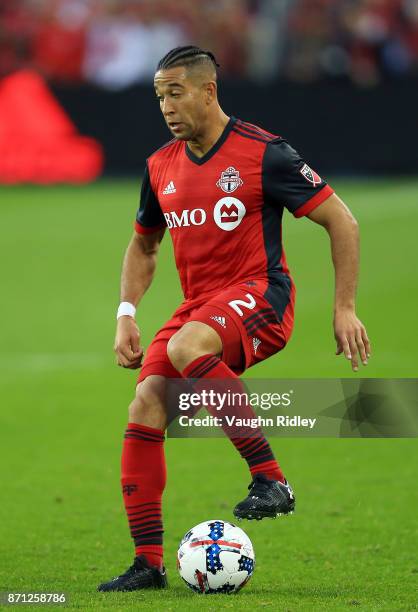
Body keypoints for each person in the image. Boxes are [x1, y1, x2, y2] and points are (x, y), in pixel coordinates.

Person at [98, 45, 371, 592]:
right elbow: (144, 246)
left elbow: (342, 220)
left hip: (261, 295)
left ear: (208, 91)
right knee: (147, 400)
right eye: (159, 97)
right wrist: (126, 313)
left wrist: (344, 307)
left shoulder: (264, 152)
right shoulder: (160, 167)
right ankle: (148, 564)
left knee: (184, 349)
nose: (167, 107)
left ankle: (270, 479)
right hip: (200, 305)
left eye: (175, 93)